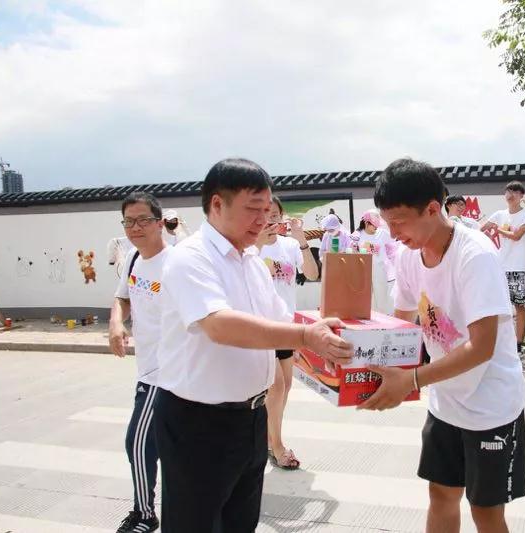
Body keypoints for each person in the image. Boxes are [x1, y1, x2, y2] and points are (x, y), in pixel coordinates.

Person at [152, 158, 353, 532]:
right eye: (253, 209)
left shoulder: (252, 262)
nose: (263, 220)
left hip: (251, 417)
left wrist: (325, 338)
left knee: (240, 523)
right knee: (194, 524)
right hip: (198, 422)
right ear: (217, 204)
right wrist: (306, 337)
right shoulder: (190, 258)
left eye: (267, 210)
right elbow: (219, 325)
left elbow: (281, 323)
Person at [360, 158, 525, 533]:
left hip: (490, 406)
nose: (393, 233)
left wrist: (411, 380)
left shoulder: (475, 255)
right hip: (445, 401)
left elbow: (481, 348)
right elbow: (403, 326)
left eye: (399, 222)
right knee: (441, 494)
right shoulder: (408, 257)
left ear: (433, 209)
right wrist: (358, 357)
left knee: (486, 512)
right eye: (387, 222)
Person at [108, 192, 169, 533]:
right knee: (157, 444)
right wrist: (116, 324)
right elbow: (122, 297)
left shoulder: (175, 264)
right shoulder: (133, 258)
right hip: (146, 368)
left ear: (159, 223)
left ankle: (145, 514)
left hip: (167, 373)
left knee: (138, 441)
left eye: (143, 220)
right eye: (128, 221)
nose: (135, 228)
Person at [257, 196, 319, 469]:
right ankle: (277, 445)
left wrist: (301, 239)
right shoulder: (251, 248)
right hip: (261, 327)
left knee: (285, 387)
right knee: (277, 386)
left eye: (274, 214)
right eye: (264, 214)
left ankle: (268, 438)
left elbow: (312, 274)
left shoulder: (290, 246)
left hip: (286, 326)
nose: (270, 219)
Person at [483, 181, 525, 356]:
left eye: (515, 192)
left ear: (521, 196)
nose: (511, 194)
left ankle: (518, 343)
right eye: (508, 191)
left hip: (518, 266)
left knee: (518, 305)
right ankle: (498, 342)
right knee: (497, 305)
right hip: (499, 266)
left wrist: (497, 230)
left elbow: (517, 236)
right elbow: (480, 230)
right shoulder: (499, 214)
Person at [351, 209, 398, 313]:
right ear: (366, 223)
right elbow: (351, 252)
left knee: (381, 298)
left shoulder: (382, 233)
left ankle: (382, 320)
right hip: (363, 271)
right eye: (374, 225)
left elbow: (394, 246)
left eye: (377, 225)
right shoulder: (357, 235)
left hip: (379, 269)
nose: (376, 227)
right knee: (366, 298)